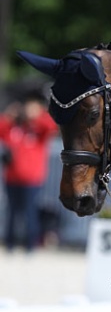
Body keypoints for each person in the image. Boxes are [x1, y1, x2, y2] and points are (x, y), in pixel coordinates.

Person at [0, 91, 58, 252]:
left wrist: (38, 114)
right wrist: (9, 115)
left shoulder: (38, 129)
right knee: (11, 213)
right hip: (11, 178)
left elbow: (51, 126)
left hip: (32, 179)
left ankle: (30, 245)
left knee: (29, 213)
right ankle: (10, 244)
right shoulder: (14, 128)